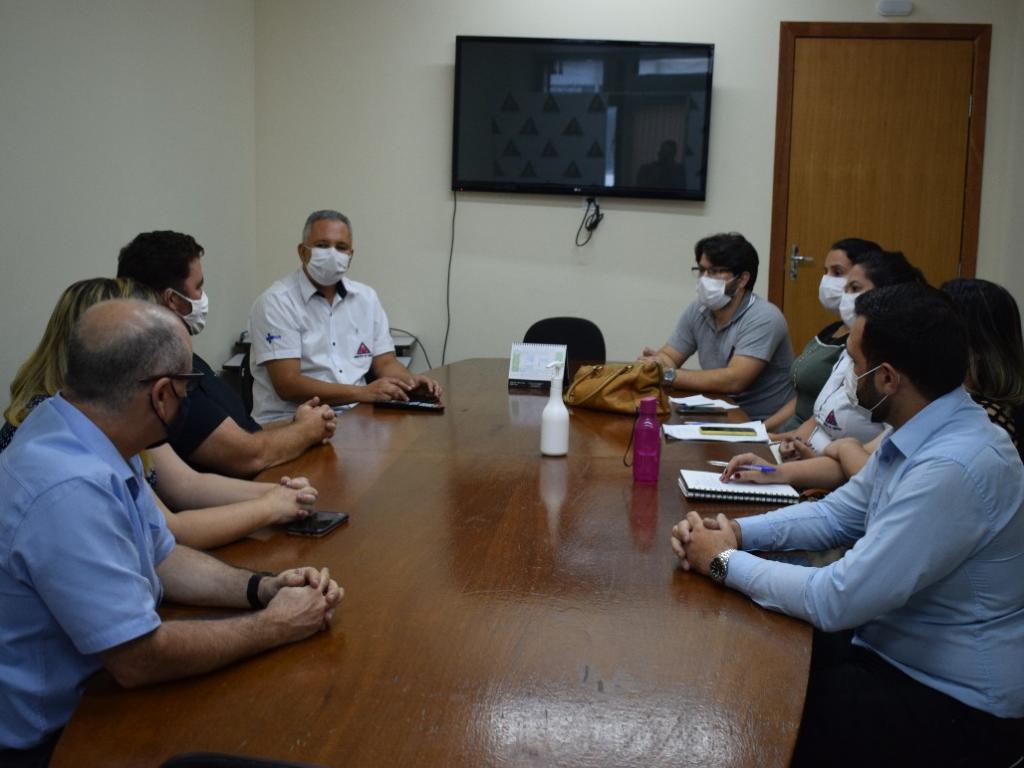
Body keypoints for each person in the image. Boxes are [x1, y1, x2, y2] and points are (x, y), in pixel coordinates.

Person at [671, 283, 1024, 766]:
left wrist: (722, 561)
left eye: (855, 364)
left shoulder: (954, 466)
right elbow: (836, 514)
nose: (847, 377)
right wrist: (736, 532)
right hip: (891, 650)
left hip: (956, 706)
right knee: (745, 654)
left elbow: (836, 598)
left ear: (888, 379)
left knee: (751, 713)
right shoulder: (926, 428)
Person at [0, 299, 343, 765]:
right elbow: (139, 658)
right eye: (187, 386)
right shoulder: (68, 487)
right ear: (161, 395)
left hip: (101, 697)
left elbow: (163, 555)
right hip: (53, 744)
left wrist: (263, 589)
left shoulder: (85, 432)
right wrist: (275, 625)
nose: (188, 397)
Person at [1, 278, 320, 550]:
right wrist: (269, 507)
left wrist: (279, 493)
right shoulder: (62, 425)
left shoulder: (117, 414)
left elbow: (187, 485)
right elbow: (171, 532)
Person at [724, 275, 1024, 489]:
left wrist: (844, 449)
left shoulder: (981, 422)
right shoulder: (934, 403)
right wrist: (776, 472)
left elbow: (878, 481)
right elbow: (867, 469)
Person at [117, 231, 336, 477]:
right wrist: (307, 430)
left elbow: (244, 432)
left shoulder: (190, 362)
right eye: (198, 287)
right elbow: (248, 455)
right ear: (172, 300)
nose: (203, 296)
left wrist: (297, 423)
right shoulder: (169, 378)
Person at [247, 209, 442, 424]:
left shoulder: (366, 298)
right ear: (303, 252)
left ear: (350, 256)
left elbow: (385, 363)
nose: (332, 254)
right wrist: (362, 393)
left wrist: (410, 383)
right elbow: (288, 385)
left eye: (341, 247)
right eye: (322, 245)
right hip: (290, 421)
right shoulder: (276, 302)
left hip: (357, 416)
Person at [772, 250, 925, 459]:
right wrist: (788, 445)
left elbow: (869, 468)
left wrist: (813, 460)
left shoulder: (897, 373)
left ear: (883, 294)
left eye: (854, 288)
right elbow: (817, 419)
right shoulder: (851, 347)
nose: (845, 297)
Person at [639, 232, 794, 421]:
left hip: (760, 421)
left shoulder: (764, 317)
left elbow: (734, 380)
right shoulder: (699, 309)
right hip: (717, 410)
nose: (704, 278)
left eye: (714, 272)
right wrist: (656, 364)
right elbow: (670, 356)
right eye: (701, 270)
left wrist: (669, 375)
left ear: (742, 279)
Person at [763, 237, 880, 432]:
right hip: (790, 433)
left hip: (808, 439)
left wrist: (769, 438)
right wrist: (759, 430)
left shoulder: (859, 344)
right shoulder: (833, 329)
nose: (827, 280)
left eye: (837, 272)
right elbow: (802, 400)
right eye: (825, 272)